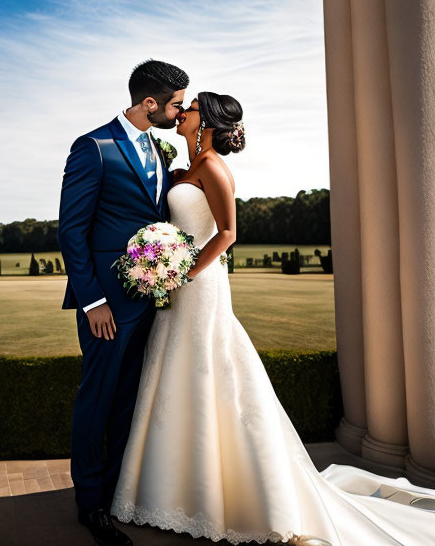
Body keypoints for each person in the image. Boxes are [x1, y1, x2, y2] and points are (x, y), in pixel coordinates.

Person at [110, 91, 435, 546]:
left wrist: (181, 272)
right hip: (178, 288)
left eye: (192, 109)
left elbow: (227, 233)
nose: (182, 113)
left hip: (199, 287)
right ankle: (170, 490)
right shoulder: (182, 170)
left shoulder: (215, 169)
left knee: (205, 370)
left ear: (207, 123)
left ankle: (220, 495)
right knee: (172, 374)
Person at [58, 59, 188, 546]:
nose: (180, 112)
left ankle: (115, 493)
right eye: (175, 104)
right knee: (98, 398)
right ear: (149, 103)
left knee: (130, 398)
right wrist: (93, 302)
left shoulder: (160, 150)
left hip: (149, 299)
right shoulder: (93, 147)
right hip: (107, 306)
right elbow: (71, 230)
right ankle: (89, 503)